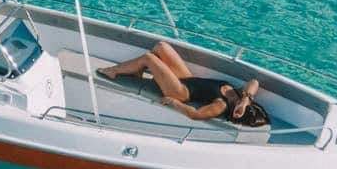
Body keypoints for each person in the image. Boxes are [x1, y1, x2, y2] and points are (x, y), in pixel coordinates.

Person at [98, 42, 270, 127]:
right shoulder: (239, 94)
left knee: (148, 58)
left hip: (180, 91)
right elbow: (254, 82)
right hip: (188, 79)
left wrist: (175, 103)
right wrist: (246, 100)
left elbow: (195, 114)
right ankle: (135, 72)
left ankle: (113, 70)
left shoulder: (221, 106)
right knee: (161, 47)